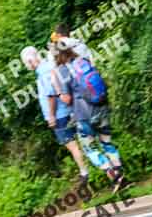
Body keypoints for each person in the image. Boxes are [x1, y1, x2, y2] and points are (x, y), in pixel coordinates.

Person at [51, 46, 126, 192]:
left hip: (83, 115)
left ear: (57, 56)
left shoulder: (62, 71)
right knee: (107, 142)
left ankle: (112, 174)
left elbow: (67, 99)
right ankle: (120, 172)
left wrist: (58, 91)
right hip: (101, 108)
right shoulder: (83, 61)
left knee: (89, 148)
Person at [20, 46, 90, 186]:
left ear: (30, 60)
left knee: (73, 146)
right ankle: (97, 167)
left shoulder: (43, 72)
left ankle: (85, 173)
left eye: (26, 63)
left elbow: (51, 95)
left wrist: (51, 116)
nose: (27, 66)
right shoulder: (49, 66)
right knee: (85, 139)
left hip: (60, 116)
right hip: (70, 109)